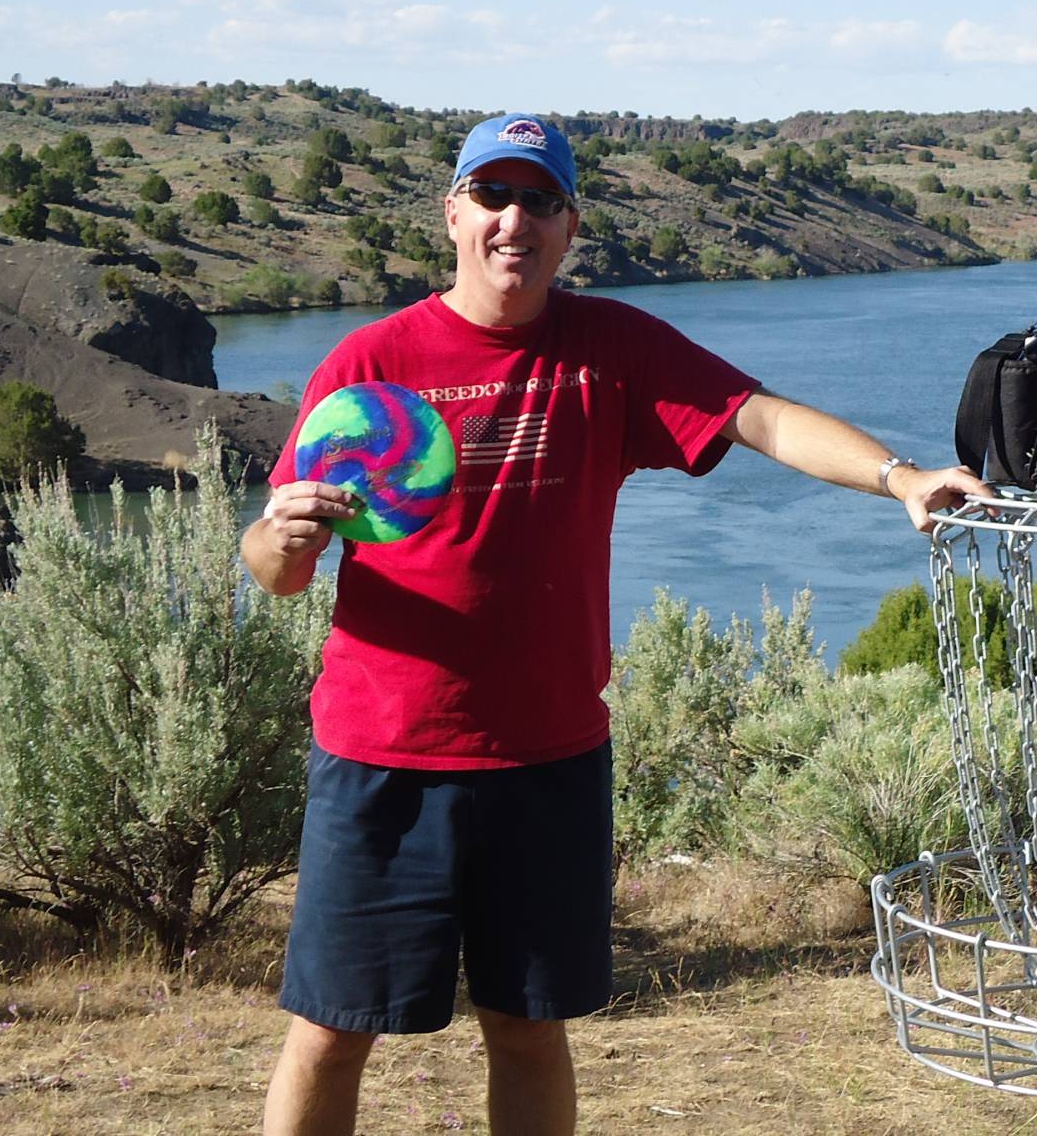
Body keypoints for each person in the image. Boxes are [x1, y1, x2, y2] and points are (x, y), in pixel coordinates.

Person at [243, 112, 991, 1136]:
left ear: (569, 225)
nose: (515, 221)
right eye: (494, 197)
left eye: (540, 200)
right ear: (453, 212)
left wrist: (900, 476)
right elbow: (277, 570)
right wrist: (281, 540)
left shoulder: (608, 348)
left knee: (527, 1025)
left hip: (546, 758)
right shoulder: (371, 364)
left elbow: (757, 416)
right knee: (331, 1029)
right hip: (384, 754)